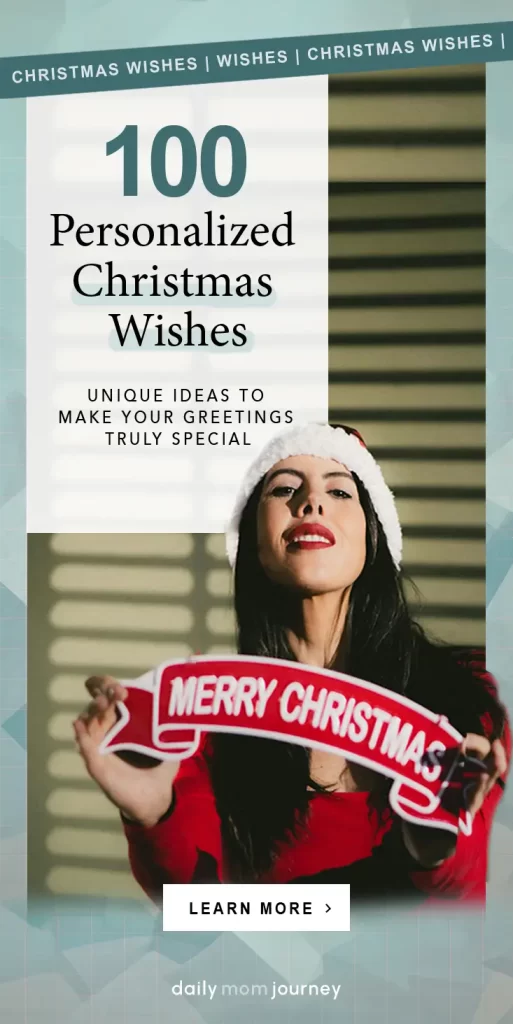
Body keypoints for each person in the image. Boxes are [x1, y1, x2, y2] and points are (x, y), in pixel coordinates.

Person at [73, 422, 509, 904]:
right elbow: (199, 914)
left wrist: (437, 848)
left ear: (375, 535)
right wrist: (153, 813)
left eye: (340, 491)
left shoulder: (471, 691)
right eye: (283, 488)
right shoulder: (205, 720)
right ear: (253, 540)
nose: (311, 503)